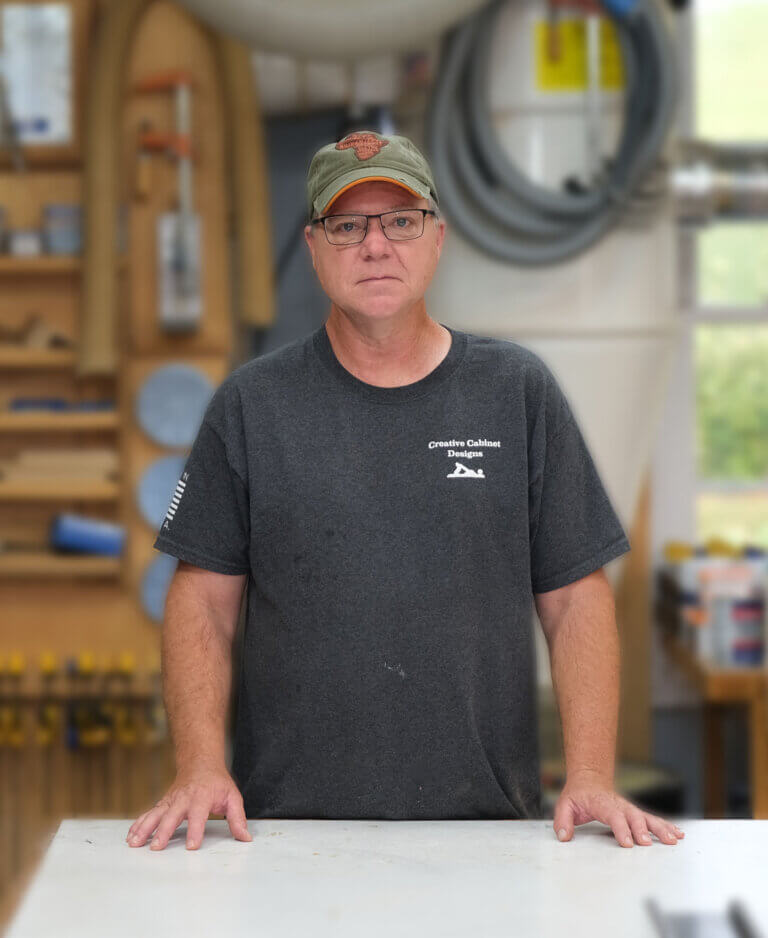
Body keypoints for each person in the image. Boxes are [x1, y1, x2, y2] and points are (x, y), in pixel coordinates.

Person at [126, 129, 685, 852]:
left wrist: (591, 775)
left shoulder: (516, 393)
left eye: (400, 221)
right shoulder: (251, 406)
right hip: (285, 836)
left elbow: (577, 596)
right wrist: (199, 768)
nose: (375, 245)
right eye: (347, 225)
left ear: (437, 237)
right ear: (314, 245)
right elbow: (200, 599)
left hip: (486, 834)